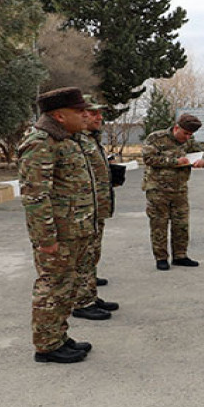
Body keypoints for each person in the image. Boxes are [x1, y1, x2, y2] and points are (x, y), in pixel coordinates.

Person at [18, 87, 98, 364]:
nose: (85, 115)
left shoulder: (66, 139)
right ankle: (47, 345)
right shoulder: (40, 142)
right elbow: (35, 195)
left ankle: (58, 336)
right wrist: (46, 238)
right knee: (52, 286)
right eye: (79, 111)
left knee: (67, 286)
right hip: (58, 234)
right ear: (59, 116)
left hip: (74, 230)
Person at [71, 96, 119, 321]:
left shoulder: (91, 138)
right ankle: (82, 301)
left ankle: (90, 294)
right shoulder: (77, 139)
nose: (100, 118)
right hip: (83, 209)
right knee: (84, 255)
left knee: (92, 253)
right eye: (95, 113)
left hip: (97, 206)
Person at [142, 113, 204, 270]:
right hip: (157, 189)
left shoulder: (189, 141)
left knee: (181, 224)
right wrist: (174, 162)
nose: (187, 137)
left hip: (179, 190)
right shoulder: (156, 138)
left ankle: (180, 256)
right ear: (176, 128)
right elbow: (148, 158)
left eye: (190, 134)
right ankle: (161, 258)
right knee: (159, 224)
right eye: (185, 133)